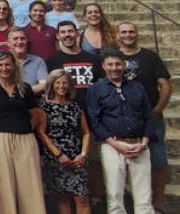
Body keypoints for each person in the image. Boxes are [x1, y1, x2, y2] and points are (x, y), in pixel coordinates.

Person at [88, 49, 159, 214]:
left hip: (139, 144)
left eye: (118, 64)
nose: (114, 68)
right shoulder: (96, 89)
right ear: (103, 67)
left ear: (124, 65)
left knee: (144, 195)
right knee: (114, 194)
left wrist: (144, 143)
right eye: (110, 64)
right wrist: (116, 145)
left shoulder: (137, 87)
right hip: (112, 144)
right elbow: (95, 120)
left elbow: (149, 116)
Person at [0, 50, 46, 214]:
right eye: (0, 65)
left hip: (25, 139)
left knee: (30, 181)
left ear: (14, 66)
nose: (4, 68)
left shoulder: (25, 87)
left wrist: (28, 127)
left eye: (7, 64)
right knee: (3, 184)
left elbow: (36, 114)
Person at [117, 21, 172, 211]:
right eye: (124, 32)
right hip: (122, 119)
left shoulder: (150, 57)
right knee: (122, 165)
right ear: (118, 35)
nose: (128, 35)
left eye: (131, 31)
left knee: (158, 161)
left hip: (150, 117)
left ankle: (157, 205)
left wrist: (157, 109)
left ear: (137, 34)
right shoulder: (113, 57)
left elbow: (165, 85)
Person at [36, 70, 92, 214]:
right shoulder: (44, 106)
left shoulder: (76, 107)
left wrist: (83, 154)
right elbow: (41, 133)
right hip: (56, 158)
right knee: (62, 197)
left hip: (77, 157)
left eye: (65, 82)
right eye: (58, 82)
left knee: (82, 197)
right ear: (51, 85)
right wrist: (59, 155)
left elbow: (86, 132)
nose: (61, 86)